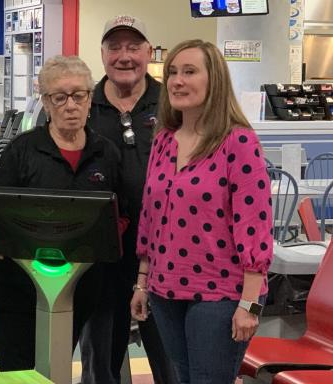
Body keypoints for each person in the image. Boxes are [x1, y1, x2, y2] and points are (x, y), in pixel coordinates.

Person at [131, 39, 273, 384]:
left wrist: (249, 307)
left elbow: (254, 227)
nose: (177, 81)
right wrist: (142, 282)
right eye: (173, 73)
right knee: (181, 377)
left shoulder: (237, 142)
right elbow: (151, 218)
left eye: (190, 72)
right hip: (165, 290)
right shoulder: (164, 138)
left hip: (221, 294)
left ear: (215, 81)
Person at [0, 55, 126, 372]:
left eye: (79, 95)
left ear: (90, 99)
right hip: (17, 289)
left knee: (56, 365)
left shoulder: (106, 153)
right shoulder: (21, 151)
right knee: (19, 373)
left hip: (78, 287)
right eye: (59, 97)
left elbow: (121, 213)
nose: (70, 105)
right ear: (46, 103)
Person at [83, 15, 176, 384]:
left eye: (133, 47)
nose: (125, 56)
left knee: (170, 361)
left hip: (165, 254)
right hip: (103, 255)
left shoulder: (172, 101)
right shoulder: (83, 105)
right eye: (115, 47)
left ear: (148, 52)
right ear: (103, 53)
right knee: (101, 364)